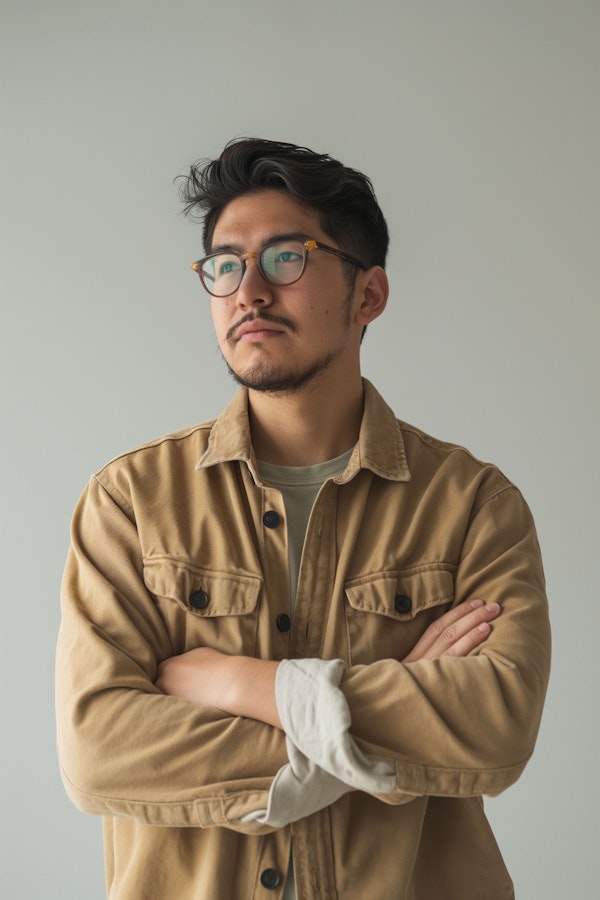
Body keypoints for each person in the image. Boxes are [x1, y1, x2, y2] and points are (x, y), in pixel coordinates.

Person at [56, 138, 551, 900]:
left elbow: (495, 726)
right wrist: (392, 699)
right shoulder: (130, 501)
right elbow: (99, 752)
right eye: (224, 265)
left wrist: (237, 683)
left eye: (286, 257)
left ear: (368, 295)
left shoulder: (473, 506)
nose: (248, 289)